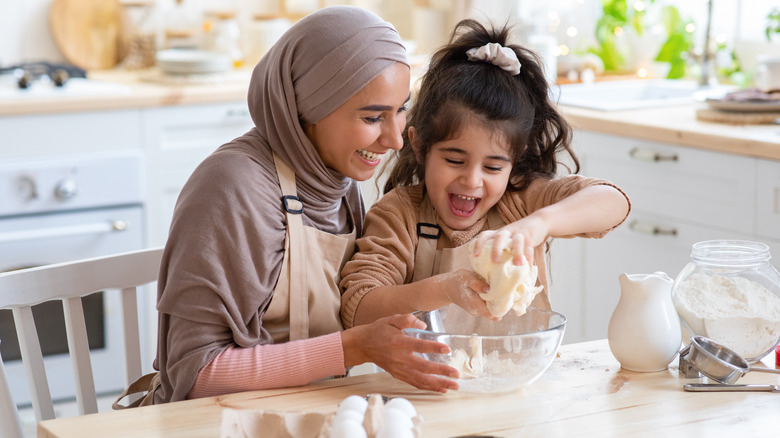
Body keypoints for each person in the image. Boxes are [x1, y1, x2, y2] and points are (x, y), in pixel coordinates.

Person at [149, 6, 461, 404]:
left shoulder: (337, 181)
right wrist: (354, 348)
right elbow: (192, 376)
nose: (395, 140)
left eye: (401, 109)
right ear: (307, 109)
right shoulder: (232, 188)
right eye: (372, 117)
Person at [340, 20, 631, 328]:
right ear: (420, 146)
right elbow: (359, 307)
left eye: (493, 167)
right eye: (454, 160)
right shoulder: (400, 215)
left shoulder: (519, 201)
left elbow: (614, 203)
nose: (472, 180)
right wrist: (445, 290)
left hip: (520, 373)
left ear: (514, 163)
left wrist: (538, 224)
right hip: (418, 376)